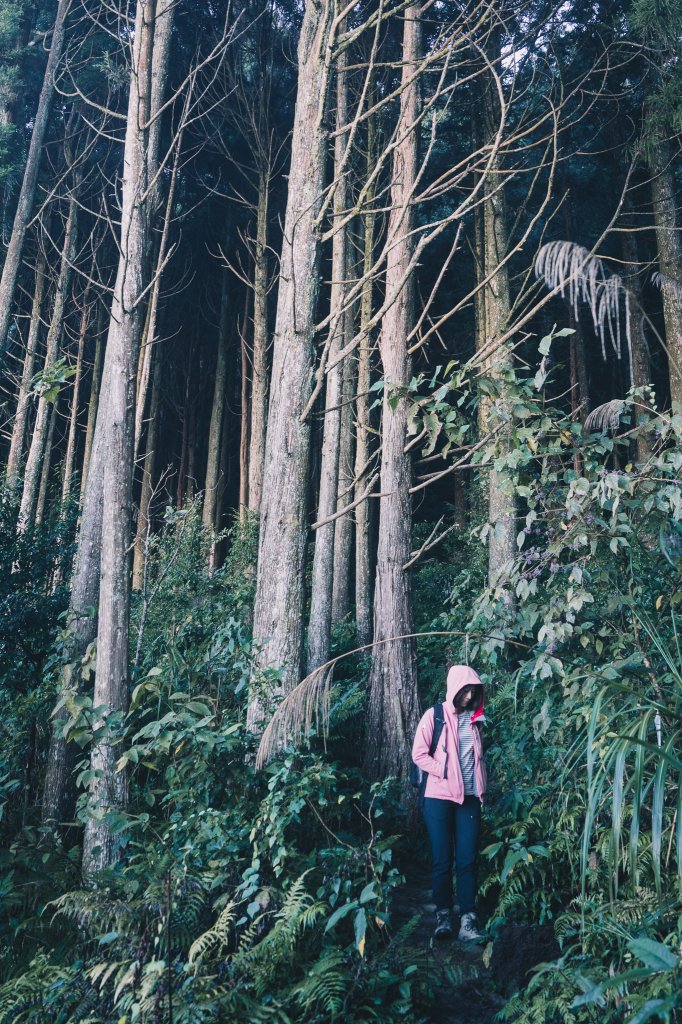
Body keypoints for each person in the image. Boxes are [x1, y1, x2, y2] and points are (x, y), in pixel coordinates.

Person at [411, 664, 487, 942]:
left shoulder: (475, 719)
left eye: (473, 691)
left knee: (467, 860)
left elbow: (476, 758)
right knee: (443, 860)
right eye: (464, 690)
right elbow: (418, 754)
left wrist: (480, 786)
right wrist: (444, 771)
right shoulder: (435, 716)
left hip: (469, 799)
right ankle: (443, 916)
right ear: (454, 688)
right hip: (438, 798)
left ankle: (468, 919)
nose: (468, 696)